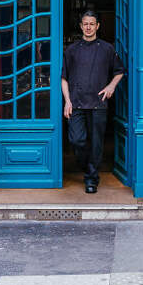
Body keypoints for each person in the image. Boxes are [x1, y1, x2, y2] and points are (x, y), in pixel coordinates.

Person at [61, 10, 124, 193]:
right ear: (81, 26)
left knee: (96, 143)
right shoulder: (71, 50)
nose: (88, 27)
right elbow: (63, 77)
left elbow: (119, 71)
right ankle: (86, 165)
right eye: (85, 24)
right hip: (76, 103)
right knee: (76, 140)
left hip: (99, 103)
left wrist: (111, 86)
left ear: (97, 26)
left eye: (92, 24)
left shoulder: (107, 49)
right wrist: (67, 101)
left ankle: (91, 179)